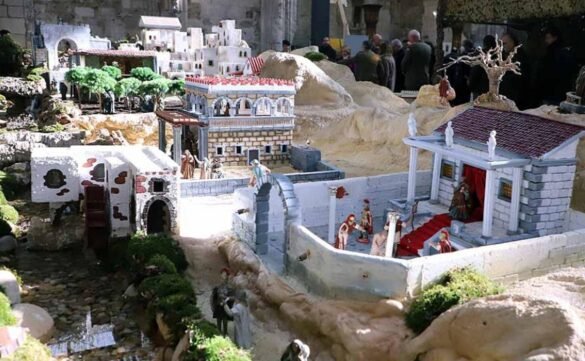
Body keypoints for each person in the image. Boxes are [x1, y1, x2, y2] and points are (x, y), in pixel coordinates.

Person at [536, 26, 578, 106]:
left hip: (552, 91)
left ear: (555, 38)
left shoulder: (553, 53)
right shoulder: (563, 51)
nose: (546, 41)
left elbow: (549, 72)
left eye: (548, 38)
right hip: (560, 92)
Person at [499, 32, 531, 109]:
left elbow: (520, 79)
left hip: (516, 98)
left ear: (512, 42)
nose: (503, 46)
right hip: (506, 97)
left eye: (505, 43)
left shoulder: (520, 57)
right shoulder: (504, 56)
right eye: (501, 44)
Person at [469, 35, 496, 100]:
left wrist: (471, 86)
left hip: (479, 88)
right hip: (493, 88)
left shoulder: (480, 54)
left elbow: (475, 71)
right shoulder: (498, 55)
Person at [211, 268, 235, 336]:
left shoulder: (230, 288)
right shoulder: (217, 287)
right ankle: (218, 333)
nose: (223, 276)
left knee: (225, 321)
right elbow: (213, 298)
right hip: (218, 306)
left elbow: (233, 298)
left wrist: (227, 299)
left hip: (225, 306)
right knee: (218, 320)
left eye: (224, 275)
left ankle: (225, 334)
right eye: (222, 274)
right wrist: (213, 306)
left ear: (227, 276)